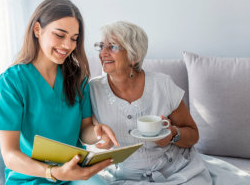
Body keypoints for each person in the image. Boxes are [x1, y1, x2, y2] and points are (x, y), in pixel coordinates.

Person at [89, 21, 250, 184]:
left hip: (176, 172)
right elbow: (85, 132)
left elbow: (193, 134)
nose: (103, 53)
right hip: (123, 177)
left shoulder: (162, 85)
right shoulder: (92, 90)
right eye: (101, 46)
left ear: (134, 56)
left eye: (112, 47)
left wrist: (172, 134)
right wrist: (97, 137)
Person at [0, 0, 119, 185]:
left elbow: (84, 131)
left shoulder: (77, 77)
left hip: (74, 174)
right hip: (30, 178)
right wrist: (54, 172)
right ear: (37, 30)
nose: (68, 45)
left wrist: (98, 133)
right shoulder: (12, 81)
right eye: (60, 35)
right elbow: (10, 154)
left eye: (74, 39)